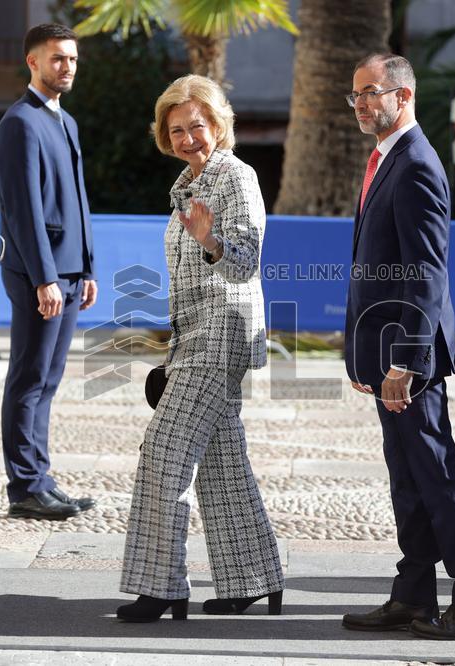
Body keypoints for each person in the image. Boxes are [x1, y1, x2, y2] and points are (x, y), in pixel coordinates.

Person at [340, 53, 455, 640]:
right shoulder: (386, 158)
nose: (360, 103)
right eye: (355, 94)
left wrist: (404, 360)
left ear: (403, 96)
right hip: (386, 350)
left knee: (436, 475)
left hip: (408, 359)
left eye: (370, 92)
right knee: (408, 478)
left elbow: (426, 273)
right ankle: (412, 595)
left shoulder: (415, 164)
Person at [116, 74, 284, 622]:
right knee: (221, 463)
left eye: (198, 126)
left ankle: (162, 586)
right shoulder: (189, 183)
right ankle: (254, 578)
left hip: (224, 335)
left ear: (219, 125)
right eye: (178, 129)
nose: (189, 137)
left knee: (163, 455)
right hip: (195, 336)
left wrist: (211, 239)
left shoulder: (236, 176)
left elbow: (246, 260)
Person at [0, 23, 97, 520]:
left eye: (72, 59)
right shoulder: (20, 123)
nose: (67, 67)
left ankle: (42, 479)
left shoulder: (67, 122)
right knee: (29, 378)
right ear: (33, 62)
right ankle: (25, 487)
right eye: (57, 59)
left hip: (71, 272)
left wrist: (88, 268)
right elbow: (24, 209)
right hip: (43, 274)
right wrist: (44, 278)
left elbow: (77, 199)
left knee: (49, 379)